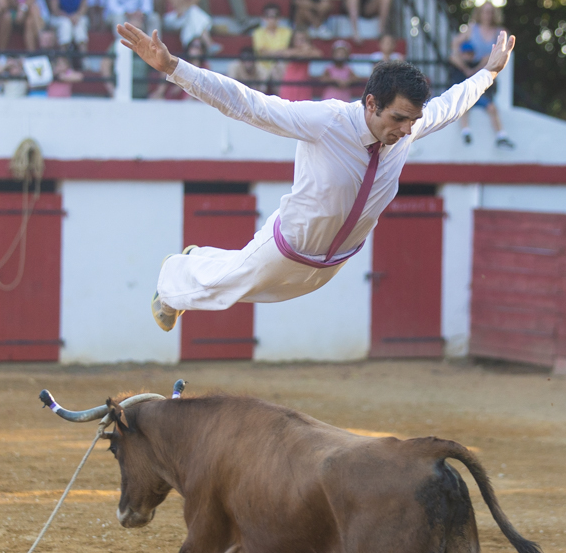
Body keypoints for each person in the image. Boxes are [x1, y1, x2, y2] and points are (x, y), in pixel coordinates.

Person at [116, 21, 515, 331]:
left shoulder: (409, 127)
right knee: (228, 286)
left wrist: (488, 73)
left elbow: (452, 102)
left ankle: (197, 261)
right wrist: (172, 68)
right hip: (287, 245)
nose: (407, 130)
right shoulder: (327, 121)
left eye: (413, 120)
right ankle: (173, 280)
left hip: (330, 264)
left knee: (238, 282)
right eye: (398, 118)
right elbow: (249, 104)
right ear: (371, 103)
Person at [450, 2, 513, 149]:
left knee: (490, 105)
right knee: (464, 104)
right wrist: (465, 63)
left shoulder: (499, 31)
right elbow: (454, 45)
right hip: (472, 74)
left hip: (487, 74)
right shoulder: (472, 29)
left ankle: (501, 136)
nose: (487, 15)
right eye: (485, 11)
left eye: (490, 12)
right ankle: (466, 131)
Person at [275, 28, 319, 100]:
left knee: (304, 109)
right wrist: (303, 51)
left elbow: (318, 54)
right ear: (293, 41)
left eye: (303, 39)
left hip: (304, 85)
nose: (300, 42)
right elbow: (286, 54)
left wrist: (306, 51)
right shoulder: (290, 50)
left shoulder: (311, 50)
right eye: (297, 39)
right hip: (289, 84)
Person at [251, 0, 288, 76]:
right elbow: (262, 51)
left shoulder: (287, 32)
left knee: (279, 66)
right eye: (269, 16)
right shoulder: (258, 32)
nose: (272, 19)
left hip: (282, 66)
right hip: (262, 66)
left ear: (279, 18)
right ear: (263, 18)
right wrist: (280, 52)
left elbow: (291, 50)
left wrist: (271, 52)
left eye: (275, 16)